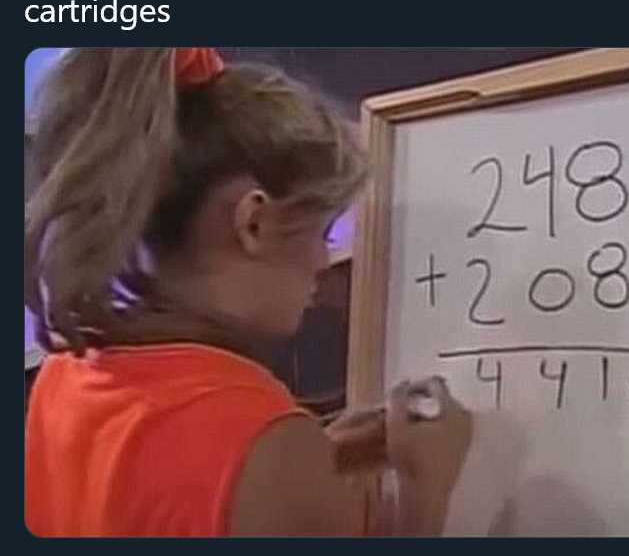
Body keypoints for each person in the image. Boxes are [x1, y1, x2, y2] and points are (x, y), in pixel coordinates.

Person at [24, 48, 472, 537]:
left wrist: (310, 451)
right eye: (320, 234)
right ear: (253, 222)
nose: (325, 264)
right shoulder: (269, 446)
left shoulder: (63, 372)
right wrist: (426, 491)